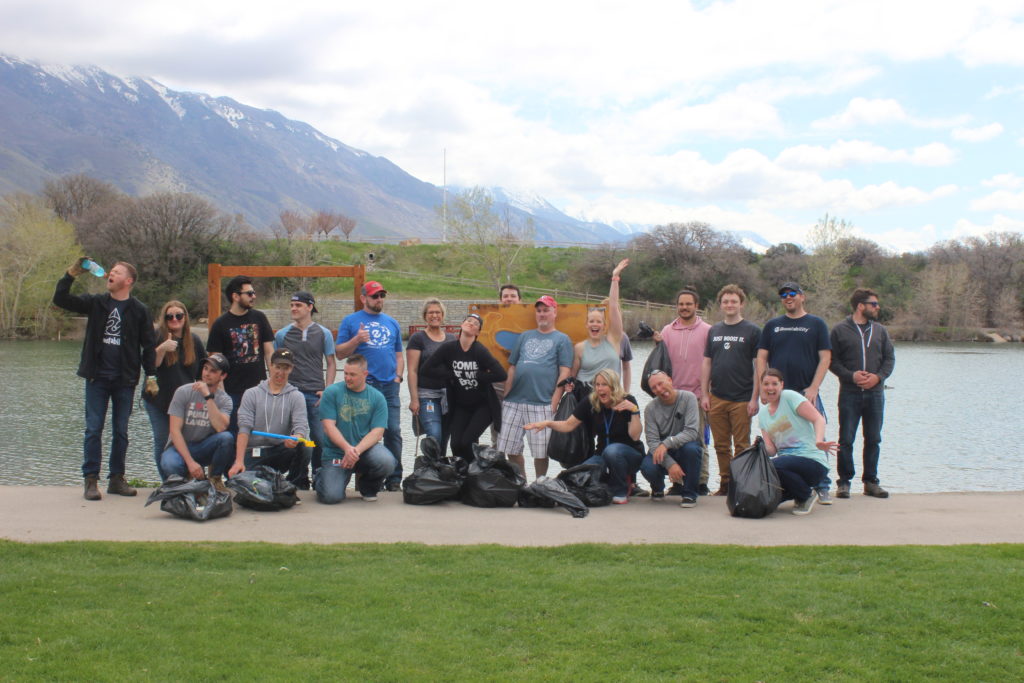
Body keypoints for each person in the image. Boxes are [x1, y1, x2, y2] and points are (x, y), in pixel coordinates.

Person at [53, 258, 157, 500]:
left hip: (125, 380)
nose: (111, 273)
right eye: (111, 271)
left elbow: (149, 345)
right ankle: (91, 481)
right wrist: (70, 275)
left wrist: (151, 375)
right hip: (96, 378)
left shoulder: (139, 310)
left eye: (117, 272)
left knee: (121, 431)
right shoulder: (97, 303)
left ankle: (117, 479)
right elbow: (61, 300)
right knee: (93, 429)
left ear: (128, 281)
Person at [756, 282, 833, 503]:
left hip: (805, 391)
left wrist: (814, 387)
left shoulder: (816, 324)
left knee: (816, 436)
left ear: (802, 297)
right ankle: (797, 488)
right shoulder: (773, 325)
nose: (788, 297)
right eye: (783, 295)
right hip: (776, 392)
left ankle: (822, 486)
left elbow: (825, 358)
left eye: (792, 294)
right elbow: (761, 357)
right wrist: (763, 387)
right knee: (784, 438)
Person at [526, 369, 643, 504]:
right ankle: (608, 482)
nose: (600, 389)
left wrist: (634, 411)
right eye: (597, 385)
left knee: (613, 451)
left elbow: (635, 436)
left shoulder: (628, 401)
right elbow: (568, 425)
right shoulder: (592, 401)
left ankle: (621, 490)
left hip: (629, 455)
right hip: (602, 454)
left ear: (614, 386)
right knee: (578, 476)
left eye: (604, 384)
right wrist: (547, 423)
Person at [335, 280, 404, 491]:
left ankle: (394, 480)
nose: (379, 299)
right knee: (362, 433)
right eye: (375, 296)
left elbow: (399, 354)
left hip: (389, 386)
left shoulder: (392, 323)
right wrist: (357, 339)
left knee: (392, 431)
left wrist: (398, 377)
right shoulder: (351, 321)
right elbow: (339, 353)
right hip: (364, 387)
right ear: (363, 298)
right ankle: (364, 479)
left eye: (382, 295)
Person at [496, 295, 573, 480]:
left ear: (555, 312)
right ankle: (521, 481)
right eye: (539, 311)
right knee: (510, 447)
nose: (542, 314)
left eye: (546, 310)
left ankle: (540, 483)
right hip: (514, 401)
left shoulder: (562, 339)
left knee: (541, 451)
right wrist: (506, 395)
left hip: (542, 402)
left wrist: (555, 400)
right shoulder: (524, 336)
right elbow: (512, 366)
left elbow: (565, 372)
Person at [829, 288, 895, 499]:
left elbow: (889, 359)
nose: (877, 308)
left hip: (875, 394)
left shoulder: (881, 331)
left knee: (874, 437)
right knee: (846, 438)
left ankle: (870, 481)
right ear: (861, 306)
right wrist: (851, 376)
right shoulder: (839, 330)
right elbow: (832, 361)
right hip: (850, 392)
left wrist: (878, 377)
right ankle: (844, 482)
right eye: (874, 304)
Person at [700, 284, 761, 495]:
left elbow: (758, 367)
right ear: (721, 304)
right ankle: (725, 483)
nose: (729, 305)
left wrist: (755, 398)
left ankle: (741, 484)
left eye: (734, 301)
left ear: (741, 304)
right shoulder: (714, 331)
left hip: (742, 398)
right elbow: (707, 363)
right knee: (721, 445)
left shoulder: (752, 331)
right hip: (717, 396)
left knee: (742, 445)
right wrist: (705, 394)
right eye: (726, 301)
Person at [420, 313, 507, 461]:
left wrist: (479, 376)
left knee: (467, 442)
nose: (471, 323)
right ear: (462, 324)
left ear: (478, 332)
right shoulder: (449, 348)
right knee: (455, 444)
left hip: (483, 405)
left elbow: (501, 374)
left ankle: (474, 473)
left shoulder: (479, 350)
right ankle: (462, 475)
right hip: (461, 405)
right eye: (468, 321)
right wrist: (450, 374)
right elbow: (426, 369)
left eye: (475, 324)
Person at [653, 288, 712, 494]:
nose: (684, 307)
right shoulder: (668, 331)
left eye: (688, 304)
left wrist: (707, 393)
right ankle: (677, 484)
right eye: (681, 304)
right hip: (672, 397)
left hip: (697, 396)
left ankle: (701, 482)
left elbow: (712, 363)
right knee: (674, 441)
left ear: (696, 306)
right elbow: (661, 364)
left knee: (698, 441)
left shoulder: (707, 330)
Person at [315, 354, 395, 503]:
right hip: (336, 452)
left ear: (365, 374)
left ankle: (368, 487)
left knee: (387, 461)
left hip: (364, 451)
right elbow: (328, 427)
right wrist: (346, 448)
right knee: (331, 497)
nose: (348, 378)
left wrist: (355, 451)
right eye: (345, 373)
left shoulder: (377, 397)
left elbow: (377, 433)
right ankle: (321, 476)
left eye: (352, 375)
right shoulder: (332, 392)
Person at [274, 291, 336, 483]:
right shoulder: (282, 334)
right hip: (291, 393)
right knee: (295, 439)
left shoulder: (323, 333)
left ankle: (319, 475)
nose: (294, 309)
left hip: (316, 394)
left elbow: (331, 363)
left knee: (319, 437)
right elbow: (277, 365)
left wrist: (328, 389)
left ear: (310, 307)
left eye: (298, 305)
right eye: (292, 305)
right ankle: (297, 478)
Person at [757, 369, 838, 515]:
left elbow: (818, 419)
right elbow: (772, 451)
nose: (770, 388)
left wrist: (819, 440)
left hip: (811, 461)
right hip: (787, 466)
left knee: (774, 466)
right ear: (761, 386)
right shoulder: (763, 415)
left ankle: (806, 495)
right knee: (762, 503)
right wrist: (759, 448)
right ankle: (797, 493)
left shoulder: (790, 397)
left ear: (782, 385)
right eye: (766, 384)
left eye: (774, 384)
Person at [143, 300, 208, 480]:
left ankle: (188, 479)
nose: (174, 319)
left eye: (179, 315)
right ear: (164, 319)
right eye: (169, 316)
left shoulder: (193, 341)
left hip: (185, 404)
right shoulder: (157, 337)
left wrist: (208, 395)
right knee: (162, 441)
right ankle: (167, 482)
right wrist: (162, 349)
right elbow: (150, 366)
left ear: (185, 318)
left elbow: (204, 372)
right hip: (158, 400)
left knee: (187, 442)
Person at [228, 348, 310, 487]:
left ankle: (296, 486)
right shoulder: (251, 394)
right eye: (277, 367)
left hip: (280, 449)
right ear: (270, 366)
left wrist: (296, 437)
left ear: (291, 369)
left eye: (286, 368)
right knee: (243, 481)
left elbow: (300, 425)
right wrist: (239, 461)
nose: (281, 372)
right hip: (254, 451)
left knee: (306, 446)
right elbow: (244, 428)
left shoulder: (297, 396)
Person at [206, 275, 275, 433]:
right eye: (249, 293)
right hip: (232, 393)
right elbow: (215, 362)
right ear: (235, 296)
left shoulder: (260, 318)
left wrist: (273, 385)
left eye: (254, 292)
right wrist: (221, 395)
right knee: (233, 438)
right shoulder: (220, 324)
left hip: (260, 390)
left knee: (259, 437)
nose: (254, 296)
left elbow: (269, 352)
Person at [159, 353, 234, 491]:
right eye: (205, 368)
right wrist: (190, 462)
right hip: (179, 448)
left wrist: (208, 397)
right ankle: (187, 483)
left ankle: (215, 479)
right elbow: (174, 431)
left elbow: (220, 428)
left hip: (203, 446)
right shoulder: (183, 392)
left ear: (222, 376)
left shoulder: (225, 400)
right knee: (169, 464)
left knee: (227, 438)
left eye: (213, 371)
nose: (207, 374)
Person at [640, 370, 703, 507]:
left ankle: (689, 494)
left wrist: (667, 443)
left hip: (683, 448)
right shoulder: (650, 409)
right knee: (647, 466)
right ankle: (658, 487)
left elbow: (691, 432)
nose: (659, 389)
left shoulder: (689, 398)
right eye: (654, 388)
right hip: (662, 452)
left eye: (660, 384)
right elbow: (652, 442)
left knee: (692, 449)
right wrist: (670, 464)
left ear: (670, 380)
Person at [406, 298, 457, 451]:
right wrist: (414, 399)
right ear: (425, 316)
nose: (434, 315)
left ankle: (438, 470)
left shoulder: (451, 338)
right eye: (430, 313)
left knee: (444, 438)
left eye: (437, 312)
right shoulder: (418, 338)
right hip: (426, 395)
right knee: (434, 434)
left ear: (443, 315)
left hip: (448, 396)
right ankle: (430, 466)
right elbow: (412, 371)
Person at [571, 259, 629, 385]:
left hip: (611, 395)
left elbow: (613, 306)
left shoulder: (614, 339)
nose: (595, 324)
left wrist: (615, 278)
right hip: (585, 395)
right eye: (591, 321)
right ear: (586, 325)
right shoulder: (579, 347)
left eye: (599, 321)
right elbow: (572, 377)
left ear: (604, 325)